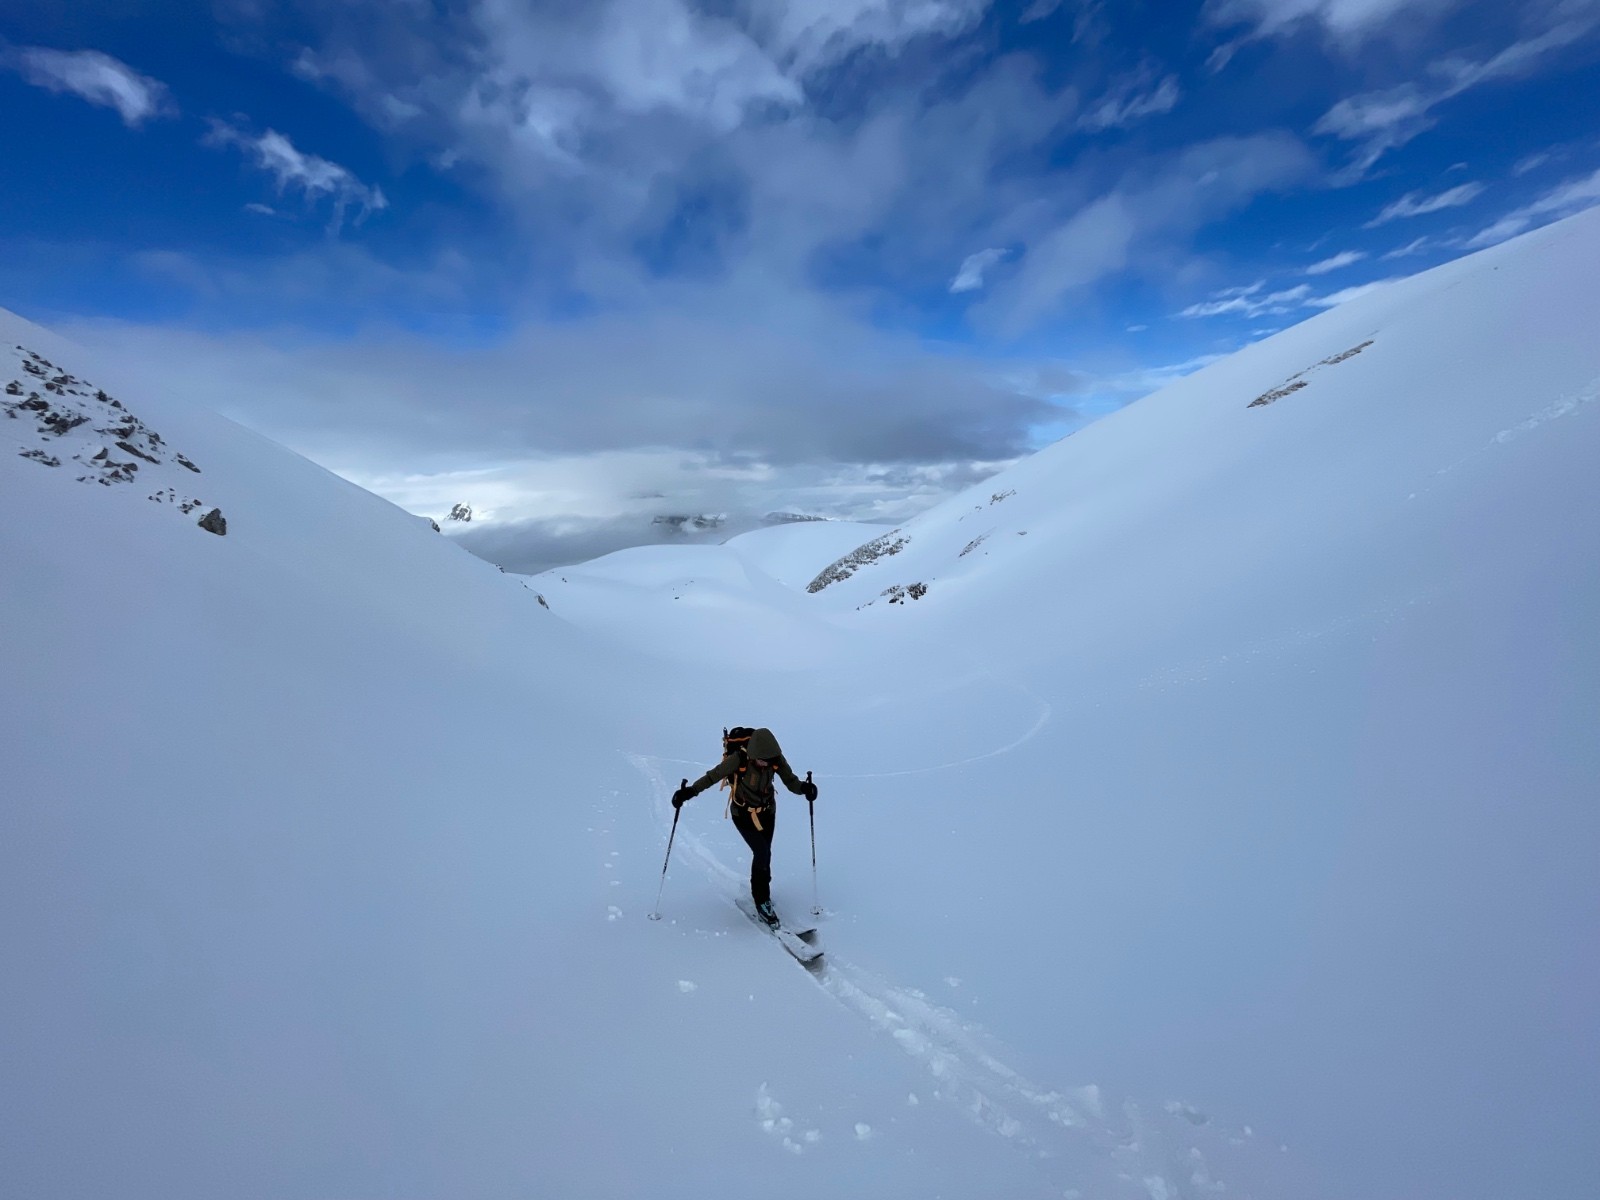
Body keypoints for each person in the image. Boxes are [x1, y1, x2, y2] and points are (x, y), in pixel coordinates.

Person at [673, 727, 817, 926]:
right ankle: (762, 900)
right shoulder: (739, 759)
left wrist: (805, 789)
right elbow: (712, 776)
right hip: (742, 814)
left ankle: (761, 892)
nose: (766, 764)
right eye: (761, 760)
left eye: (769, 760)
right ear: (753, 755)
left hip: (767, 812)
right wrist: (689, 792)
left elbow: (791, 781)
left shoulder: (775, 759)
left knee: (765, 854)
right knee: (762, 852)